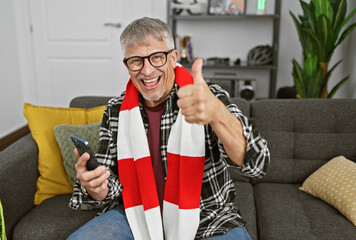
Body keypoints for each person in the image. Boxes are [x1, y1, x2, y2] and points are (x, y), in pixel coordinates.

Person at [68, 17, 269, 240]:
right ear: (127, 65)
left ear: (173, 58)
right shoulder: (116, 110)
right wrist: (97, 187)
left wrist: (218, 113)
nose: (146, 71)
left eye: (156, 57)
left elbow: (257, 165)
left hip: (208, 217)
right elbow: (112, 186)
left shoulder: (205, 97)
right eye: (136, 61)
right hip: (137, 215)